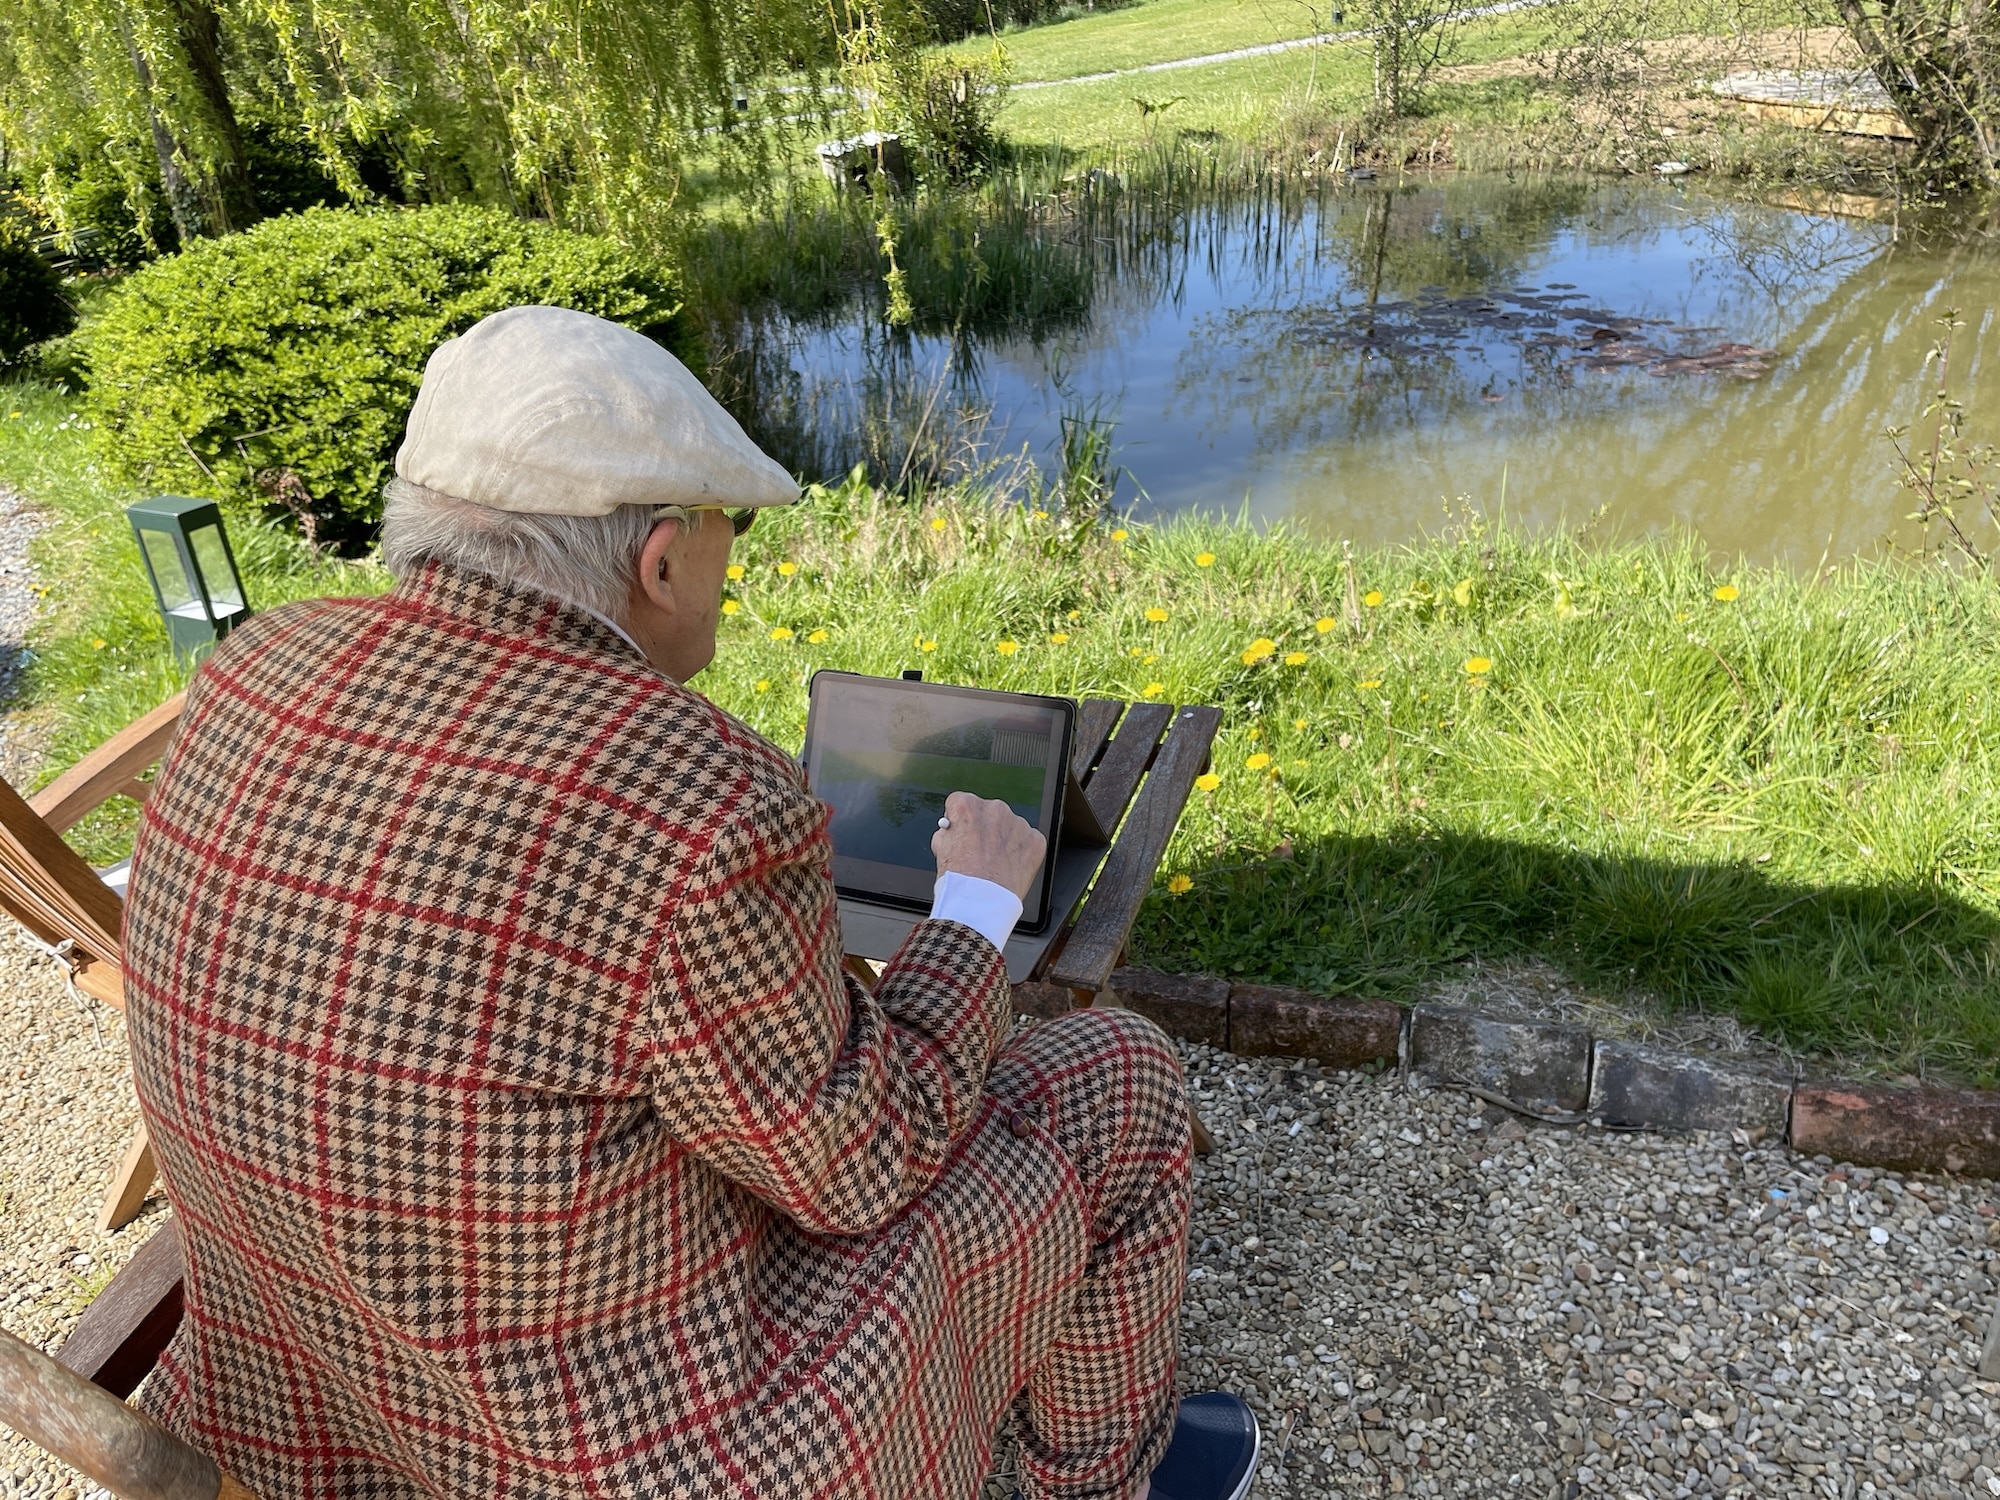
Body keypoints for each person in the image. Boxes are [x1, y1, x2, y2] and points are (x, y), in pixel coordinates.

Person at [121, 305, 1257, 1500]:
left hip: (306, 1406)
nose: (730, 559)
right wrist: (972, 909)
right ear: (659, 559)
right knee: (1118, 1074)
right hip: (634, 1462)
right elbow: (860, 1163)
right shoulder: (693, 800)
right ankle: (1109, 1480)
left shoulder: (253, 667)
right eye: (732, 529)